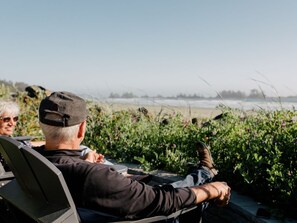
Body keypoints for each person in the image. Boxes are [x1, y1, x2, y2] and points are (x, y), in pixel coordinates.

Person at [33, 91, 231, 221]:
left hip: (90, 209)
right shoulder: (92, 176)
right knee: (183, 197)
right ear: (81, 129)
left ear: (42, 126)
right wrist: (212, 190)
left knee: (160, 187)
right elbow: (163, 201)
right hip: (135, 215)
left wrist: (84, 163)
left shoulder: (35, 158)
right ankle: (205, 174)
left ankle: (204, 172)